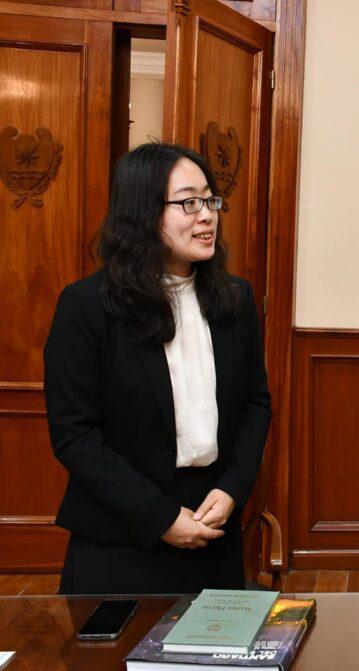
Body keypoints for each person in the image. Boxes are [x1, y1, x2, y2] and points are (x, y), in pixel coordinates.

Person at [44, 143, 271, 594]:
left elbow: (255, 403)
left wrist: (232, 490)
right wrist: (159, 516)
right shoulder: (88, 305)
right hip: (121, 532)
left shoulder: (235, 299)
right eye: (188, 202)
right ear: (143, 212)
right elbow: (75, 435)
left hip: (212, 522)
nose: (206, 215)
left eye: (210, 200)